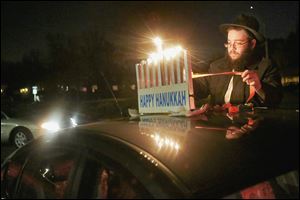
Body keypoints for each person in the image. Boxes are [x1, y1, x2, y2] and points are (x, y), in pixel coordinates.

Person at [194, 14, 282, 107]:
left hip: (251, 121)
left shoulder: (266, 67)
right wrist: (186, 81)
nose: (232, 48)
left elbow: (275, 99)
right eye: (229, 42)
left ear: (252, 44)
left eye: (238, 43)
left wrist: (259, 87)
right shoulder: (216, 66)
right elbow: (199, 89)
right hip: (218, 121)